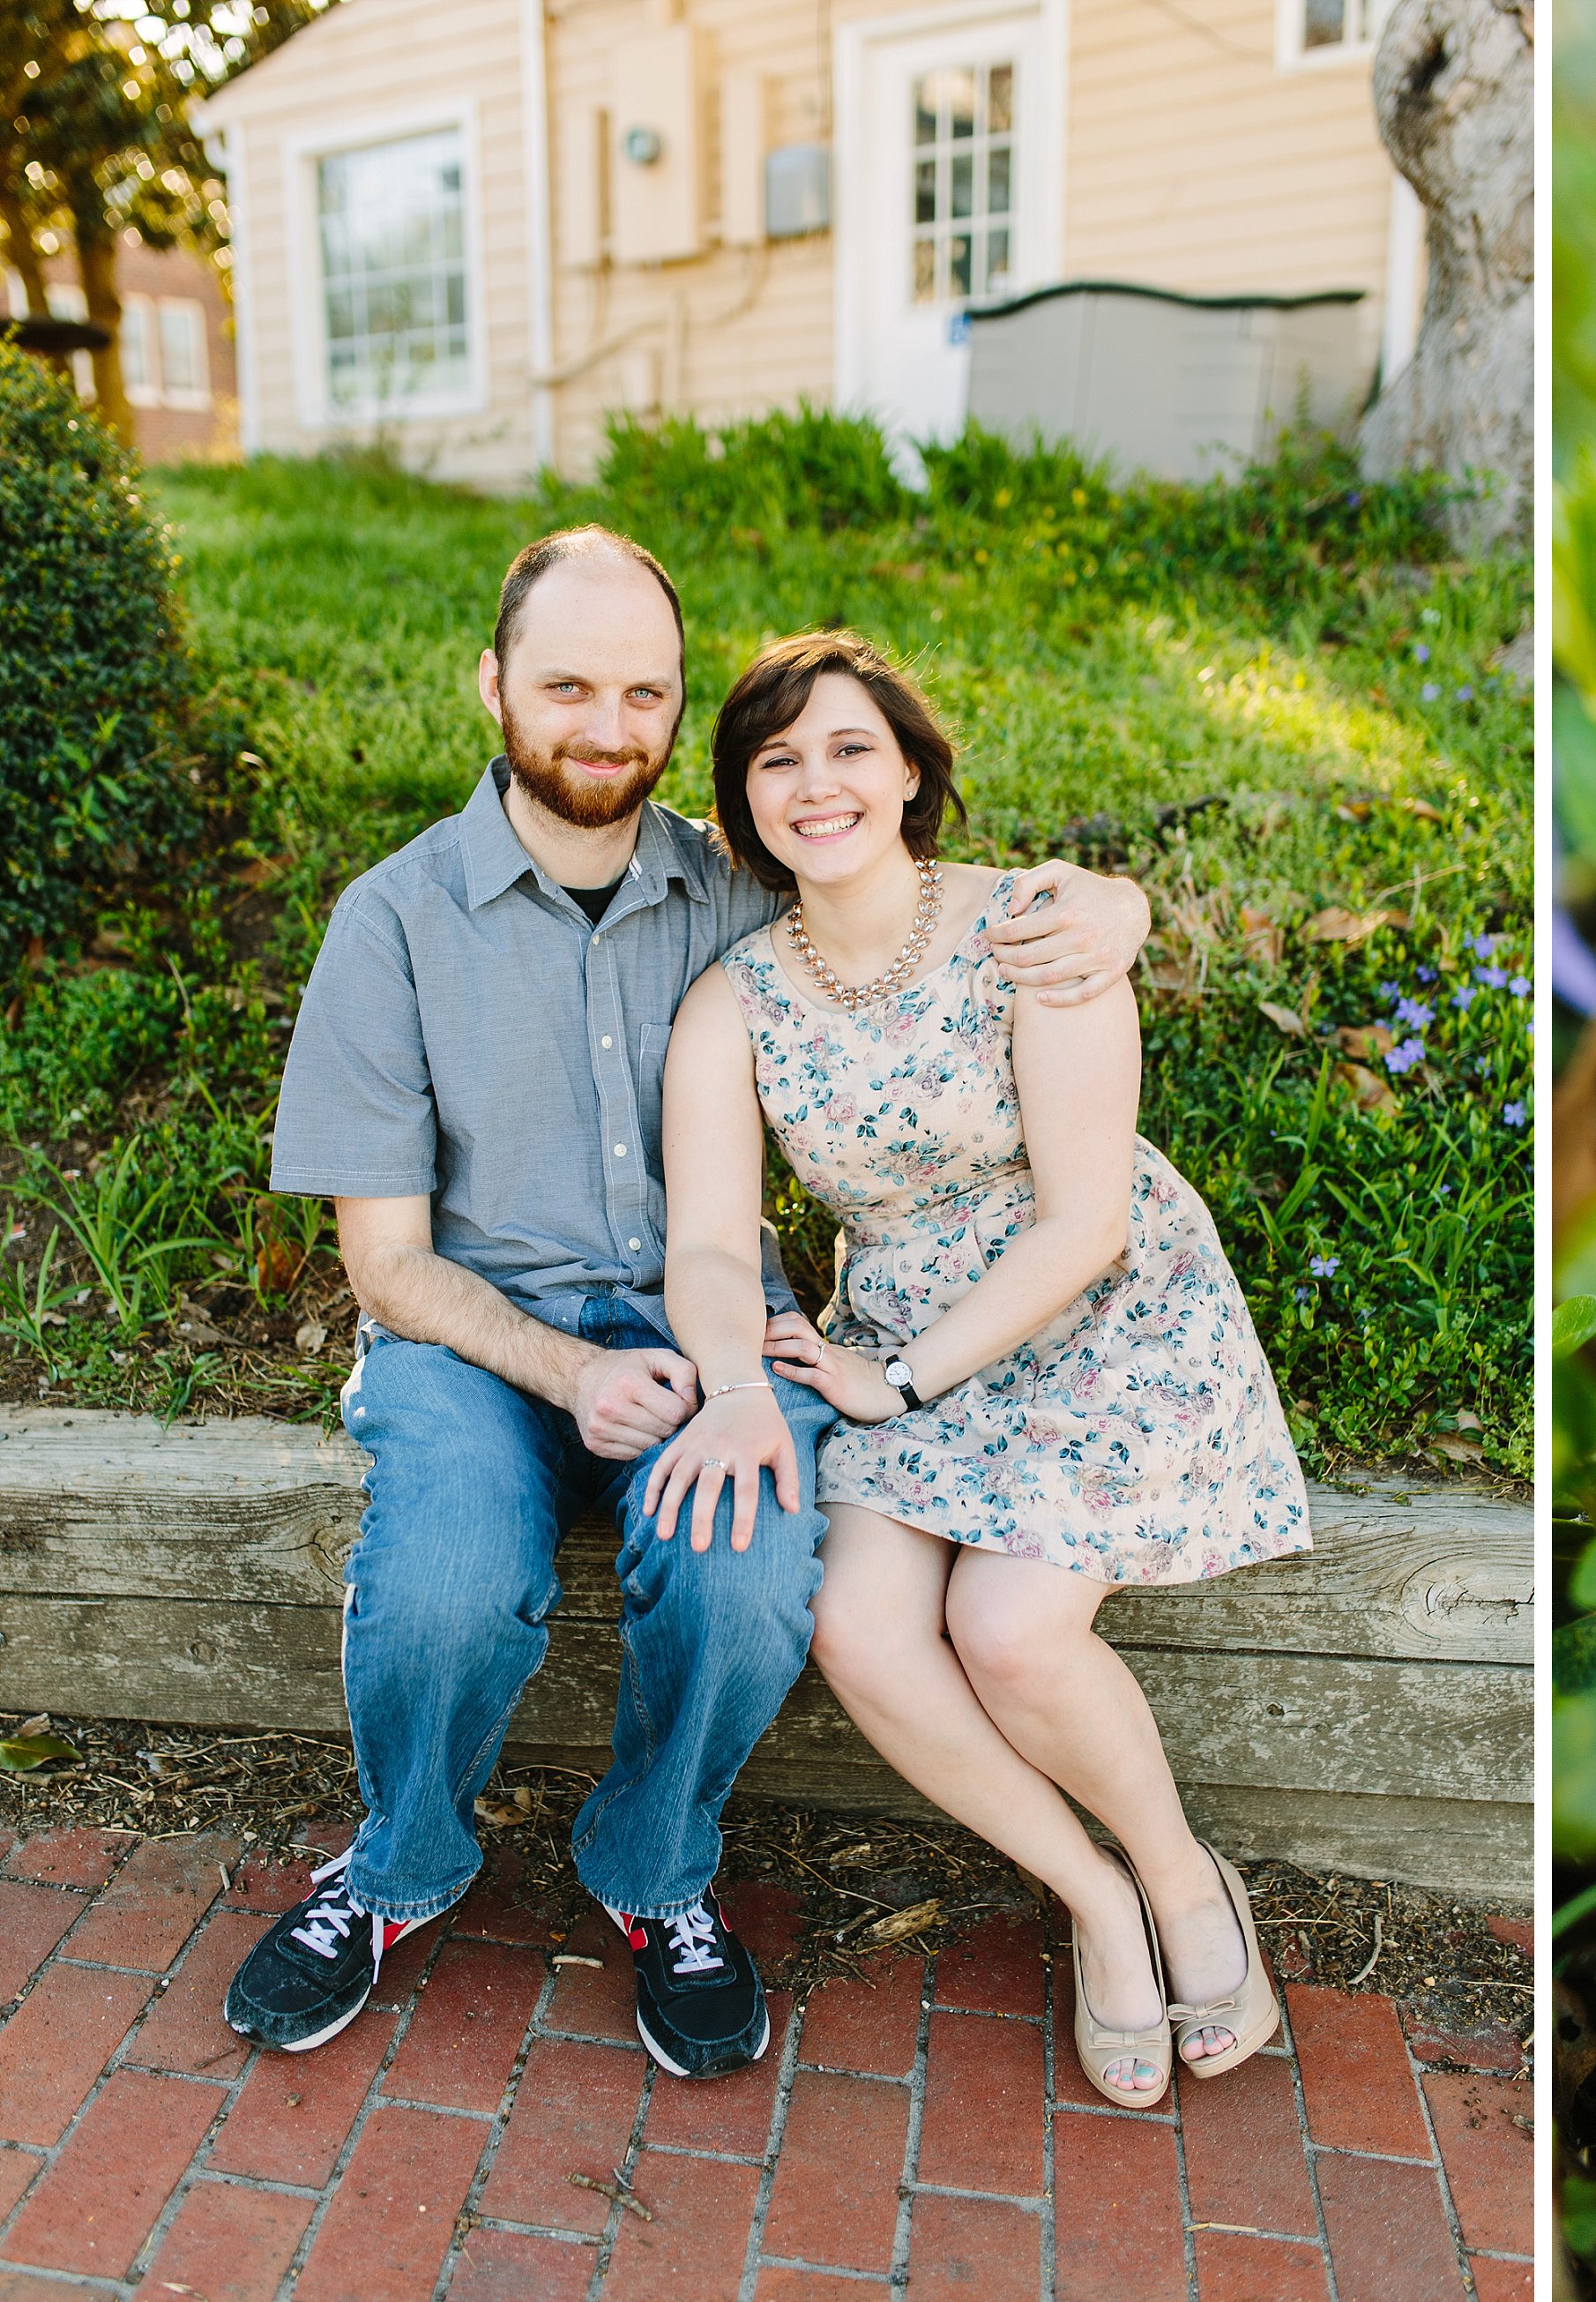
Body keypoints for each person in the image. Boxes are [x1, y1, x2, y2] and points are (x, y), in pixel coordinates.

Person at [226, 529, 1153, 2079]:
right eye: (568, 683)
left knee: (740, 1567)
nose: (607, 722)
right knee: (451, 1578)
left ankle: (654, 1866)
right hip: (475, 1337)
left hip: (711, 1333)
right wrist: (558, 1371)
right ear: (493, 685)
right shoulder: (389, 923)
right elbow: (384, 1264)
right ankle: (394, 1865)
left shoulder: (742, 885)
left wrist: (1115, 908)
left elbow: (927, 900)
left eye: (643, 690)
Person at [649, 627, 1309, 2106]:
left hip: (1097, 1315)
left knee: (1010, 1627)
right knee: (863, 1628)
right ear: (743, 803)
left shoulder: (1036, 926)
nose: (816, 784)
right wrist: (743, 1376)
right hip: (888, 1327)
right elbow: (707, 1241)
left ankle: (1181, 1873)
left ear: (909, 772)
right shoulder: (732, 1003)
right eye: (775, 761)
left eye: (848, 749)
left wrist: (902, 1380)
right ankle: (1094, 1897)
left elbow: (1084, 1222)